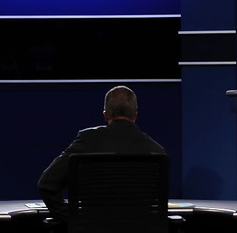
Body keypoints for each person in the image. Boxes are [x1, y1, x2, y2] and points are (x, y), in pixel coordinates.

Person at [37, 85, 166, 225]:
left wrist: (74, 219)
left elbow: (46, 185)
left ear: (105, 115)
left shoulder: (86, 140)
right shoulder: (156, 150)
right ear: (135, 115)